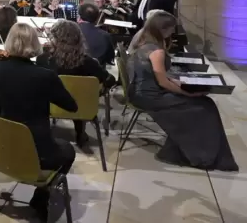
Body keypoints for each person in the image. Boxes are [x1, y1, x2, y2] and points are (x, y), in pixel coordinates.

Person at [126, 11, 237, 171]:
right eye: (172, 28)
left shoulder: (143, 43)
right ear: (163, 29)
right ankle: (198, 155)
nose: (173, 31)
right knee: (204, 107)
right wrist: (187, 93)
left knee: (205, 103)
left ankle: (192, 151)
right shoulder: (156, 51)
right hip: (150, 96)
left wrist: (180, 83)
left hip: (143, 92)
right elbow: (162, 82)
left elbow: (159, 76)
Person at [0, 23, 77, 220]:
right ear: (35, 44)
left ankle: (40, 195)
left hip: (2, 147)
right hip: (37, 152)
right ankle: (40, 197)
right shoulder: (45, 75)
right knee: (68, 150)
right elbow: (72, 106)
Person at [35, 20, 115, 147]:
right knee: (79, 94)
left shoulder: (42, 60)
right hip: (82, 108)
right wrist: (98, 89)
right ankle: (80, 133)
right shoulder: (88, 62)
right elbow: (110, 80)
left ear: (54, 38)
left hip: (51, 106)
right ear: (78, 38)